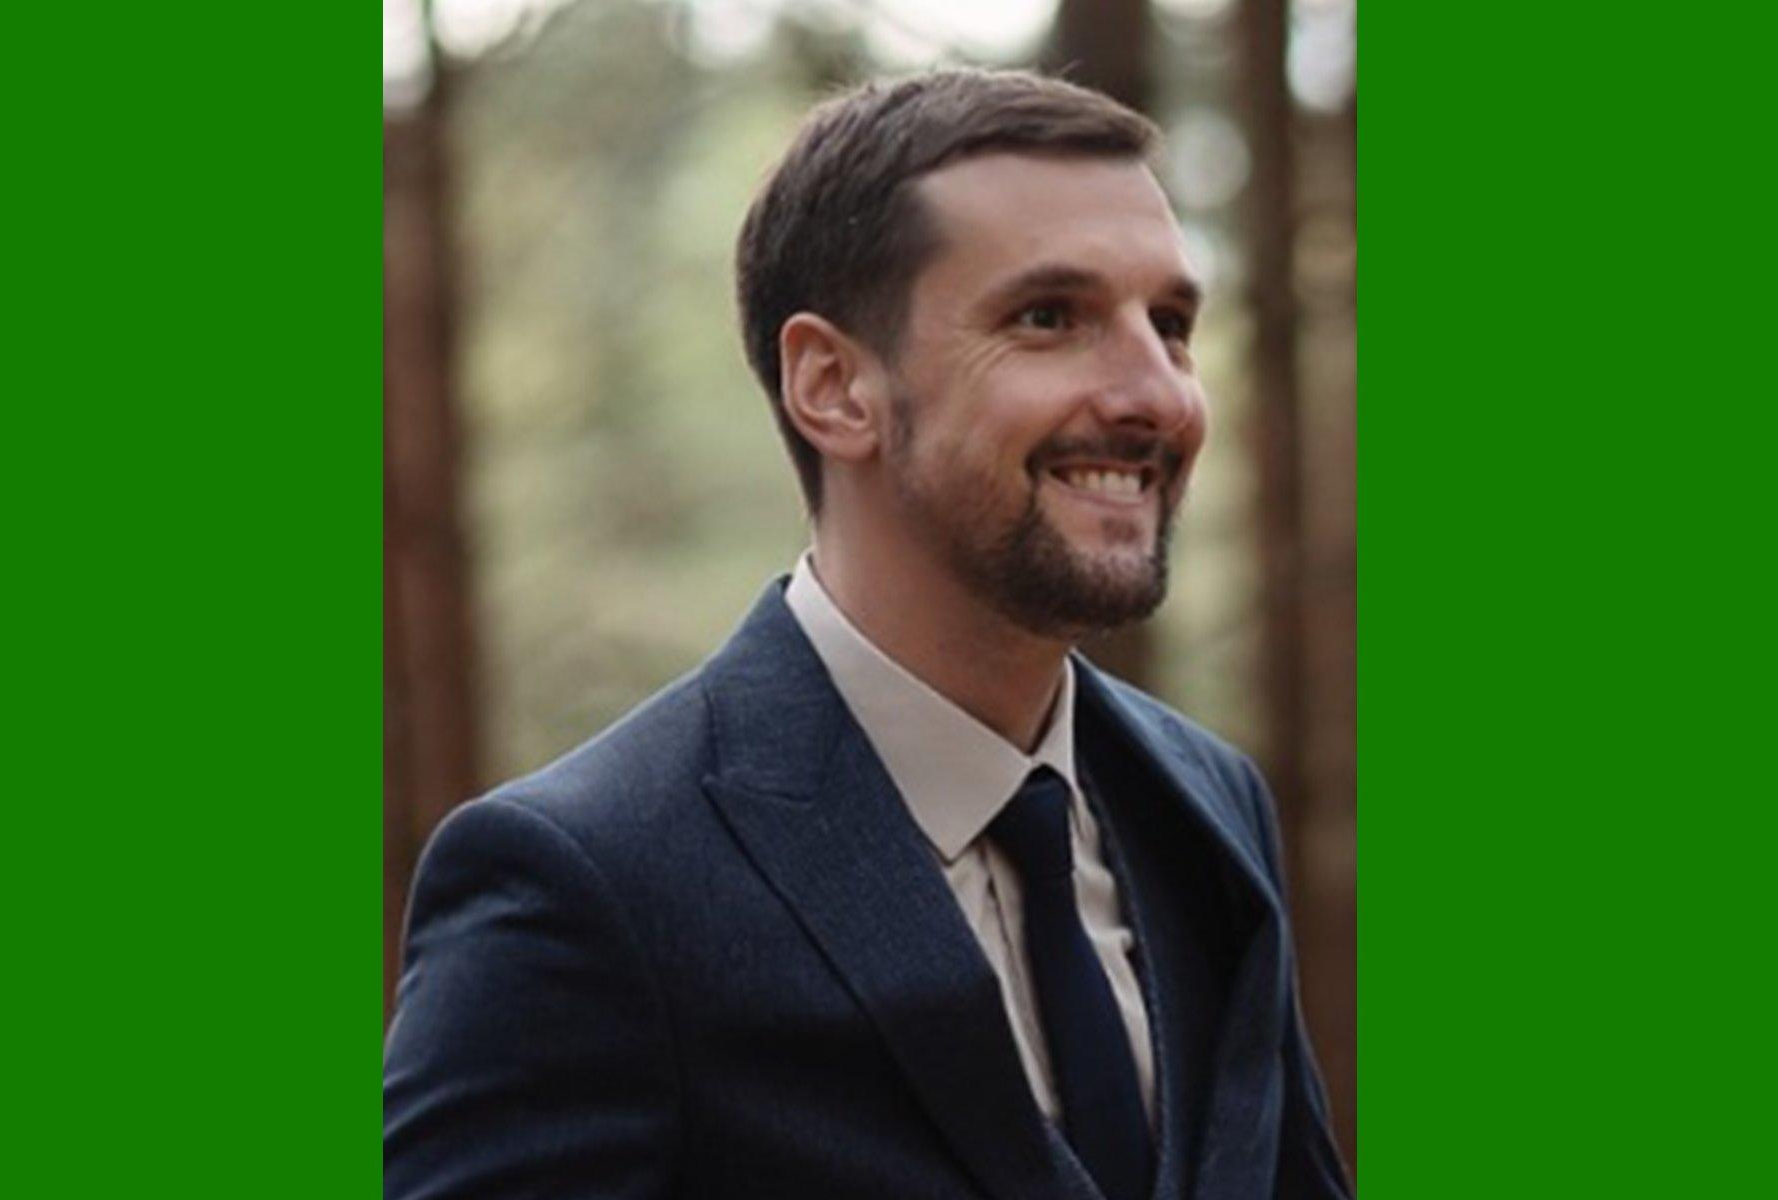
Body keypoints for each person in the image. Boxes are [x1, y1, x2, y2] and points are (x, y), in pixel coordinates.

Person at [384, 68, 1352, 1200]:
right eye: (1049, 318)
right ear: (833, 385)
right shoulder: (582, 885)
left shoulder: (1205, 806)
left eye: (1171, 324)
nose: (1158, 393)